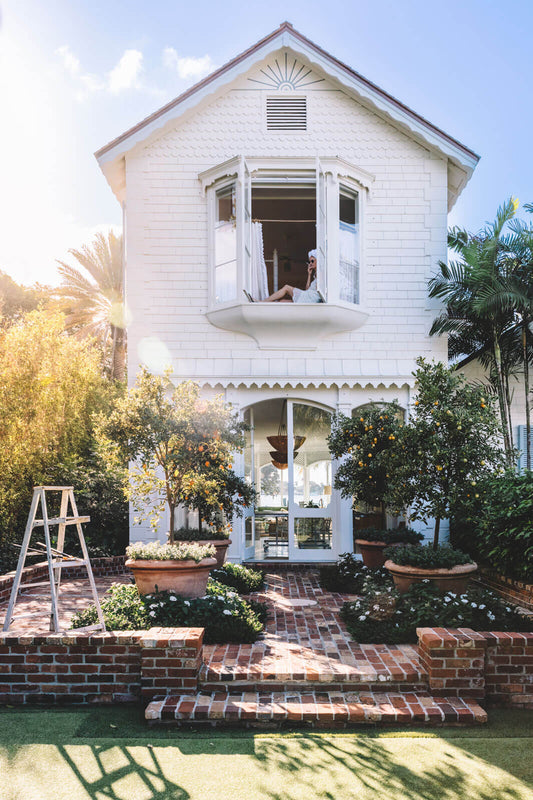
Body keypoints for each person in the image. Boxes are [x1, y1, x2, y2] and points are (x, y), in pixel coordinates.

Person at [244, 250, 322, 303]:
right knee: (283, 301)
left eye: (312, 261)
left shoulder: (321, 274)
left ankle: (261, 302)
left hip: (310, 299)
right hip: (307, 296)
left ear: (318, 261)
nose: (310, 263)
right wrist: (309, 274)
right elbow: (307, 289)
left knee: (286, 288)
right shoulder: (315, 275)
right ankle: (263, 304)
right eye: (309, 261)